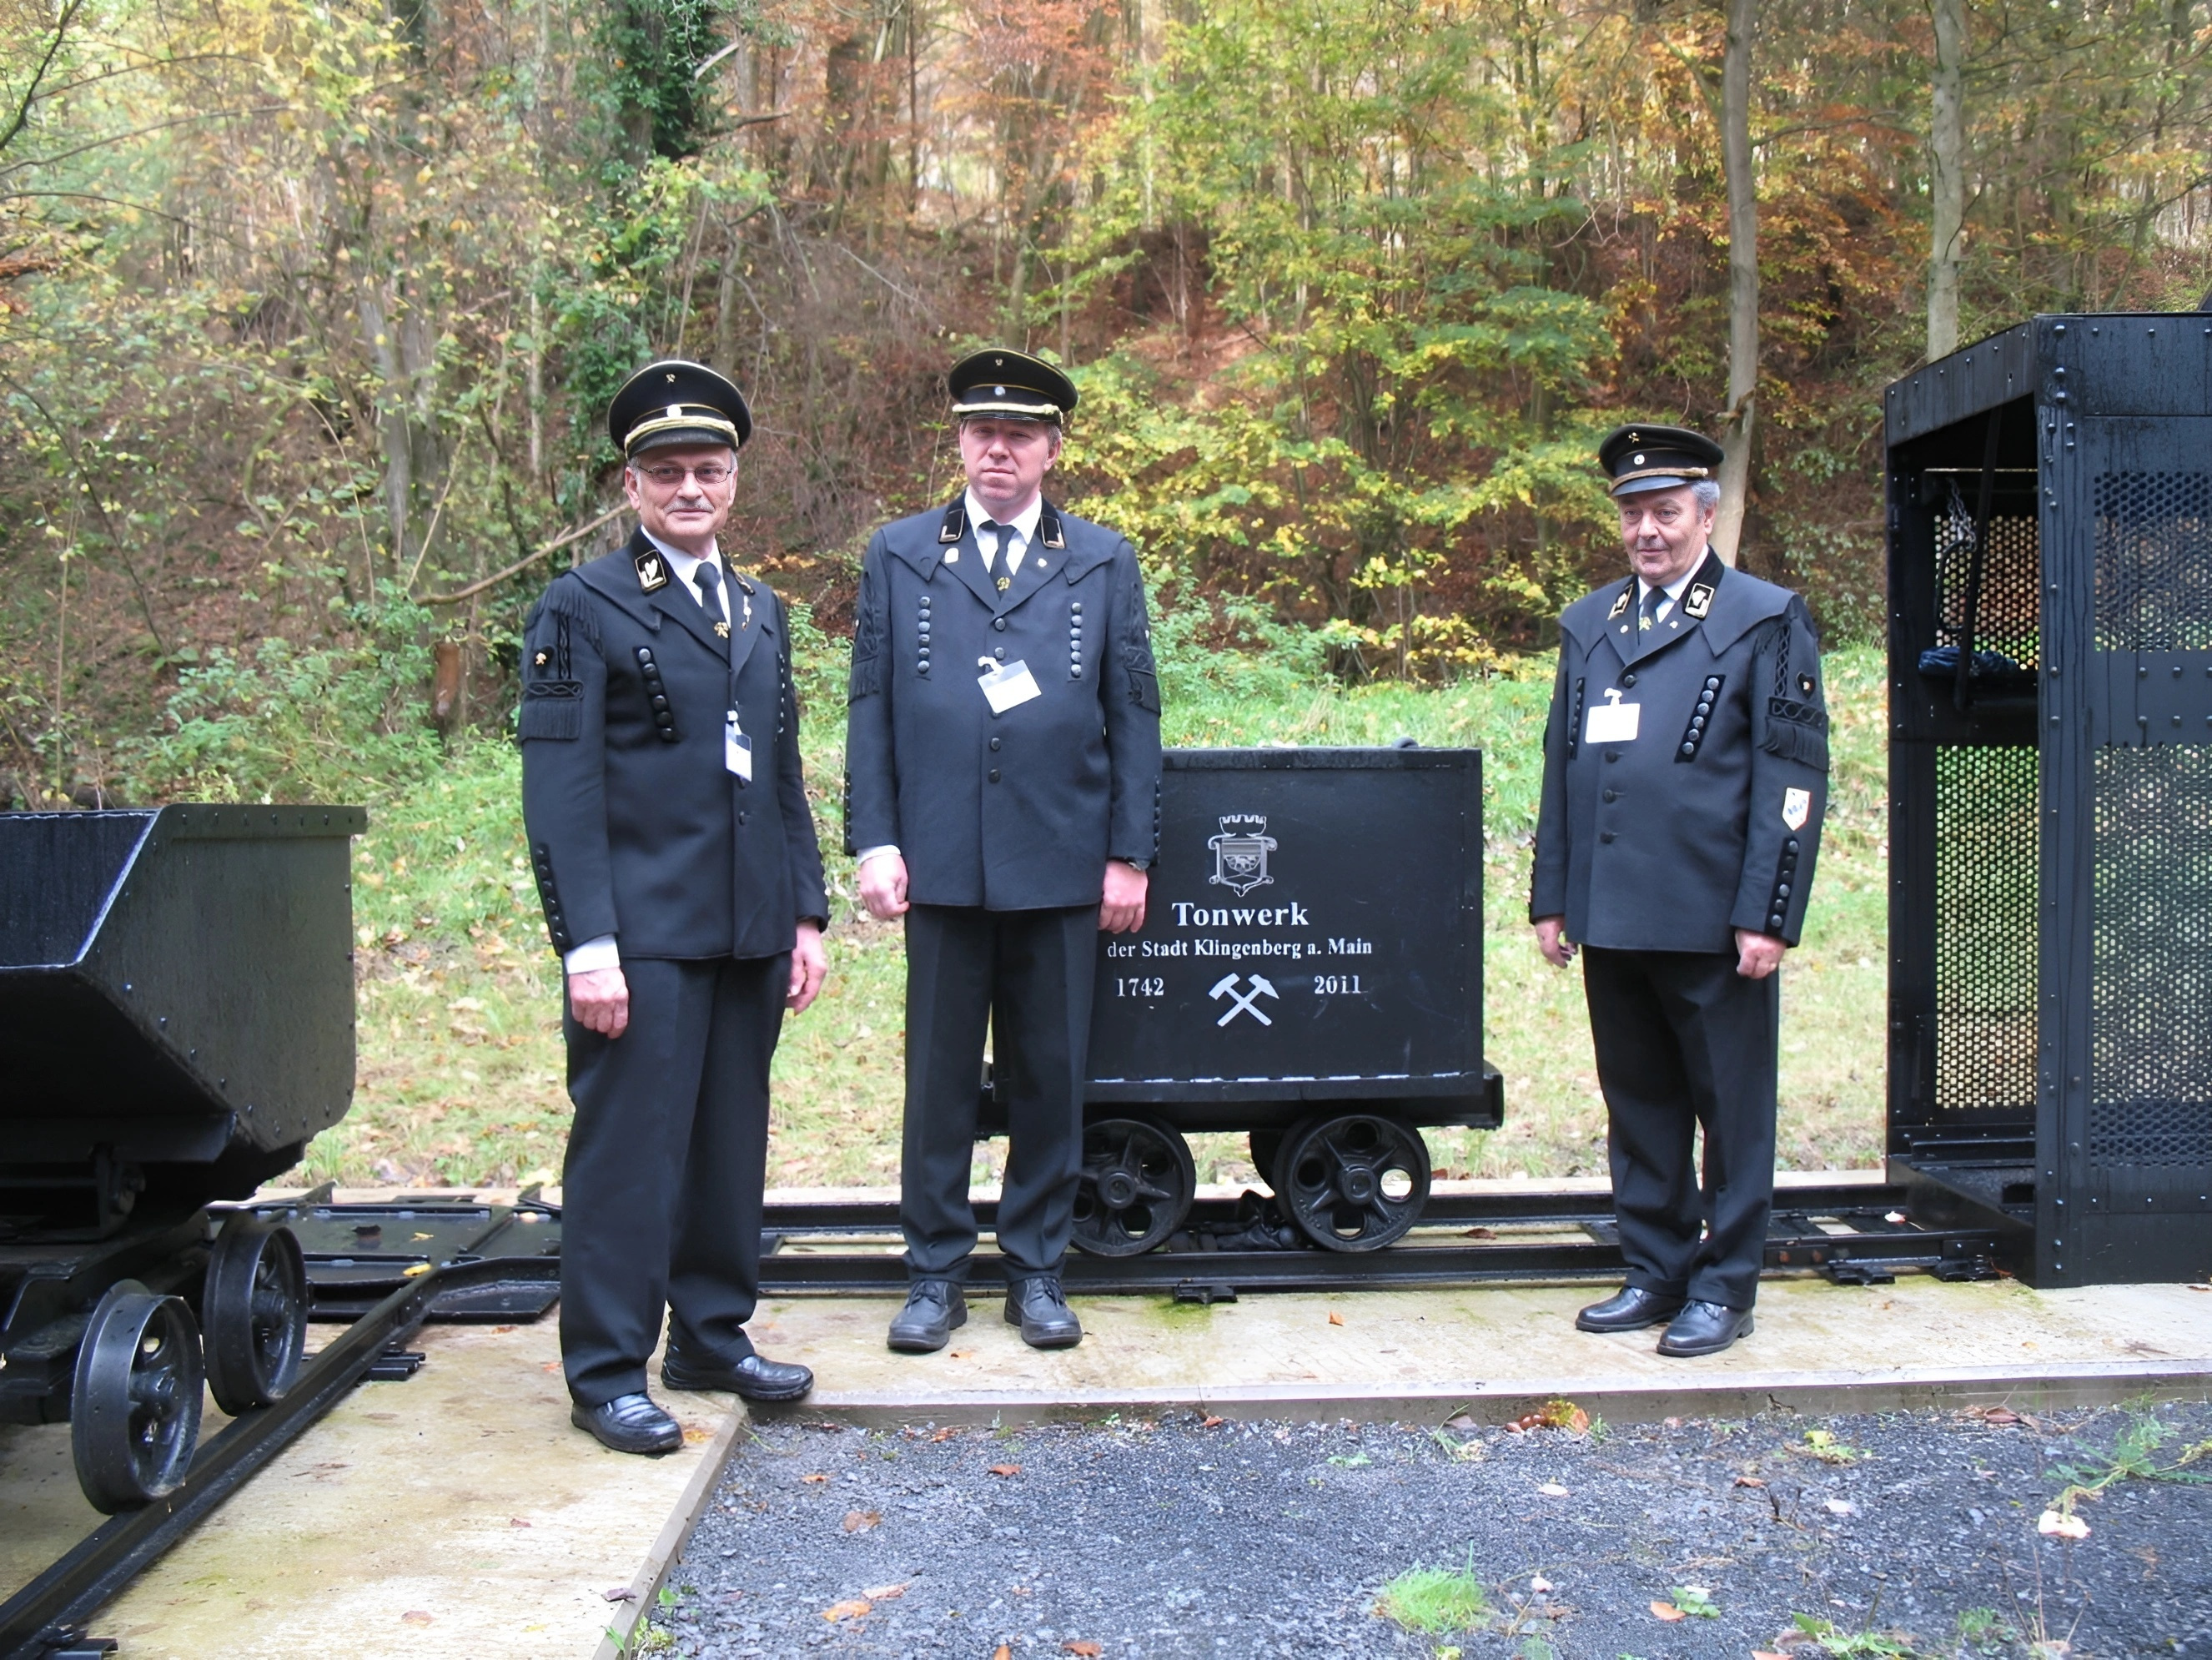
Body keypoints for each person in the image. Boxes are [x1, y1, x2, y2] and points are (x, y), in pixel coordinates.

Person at [520, 359, 830, 1453]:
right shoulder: (583, 606)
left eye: (708, 468)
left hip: (746, 928)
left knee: (724, 1145)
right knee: (628, 1155)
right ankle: (607, 1369)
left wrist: (805, 915)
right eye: (667, 471)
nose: (690, 486)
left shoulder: (760, 609)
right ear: (633, 486)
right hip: (641, 936)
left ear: (734, 478)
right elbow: (560, 794)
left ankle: (709, 1335)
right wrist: (587, 946)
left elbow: (782, 770)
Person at [843, 347, 1163, 1354]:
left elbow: (1137, 717)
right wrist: (876, 840)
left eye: (1019, 435)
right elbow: (870, 712)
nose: (998, 450)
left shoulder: (1102, 559)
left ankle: (1035, 1268)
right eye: (982, 433)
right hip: (938, 862)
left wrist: (1129, 854)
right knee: (937, 1076)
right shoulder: (900, 554)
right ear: (960, 442)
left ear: (1052, 449)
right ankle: (935, 1272)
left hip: (1063, 861)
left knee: (1049, 1072)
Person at [1529, 424, 1829, 1358]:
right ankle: (1655, 1268)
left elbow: (1793, 777)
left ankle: (1727, 1287)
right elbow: (1561, 765)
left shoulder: (1764, 618)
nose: (1647, 531)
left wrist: (1767, 913)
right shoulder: (1592, 625)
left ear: (1707, 515)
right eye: (1632, 513)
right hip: (1613, 912)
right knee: (1642, 1101)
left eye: (1665, 512)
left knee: (1731, 1110)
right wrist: (1553, 895)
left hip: (1712, 918)